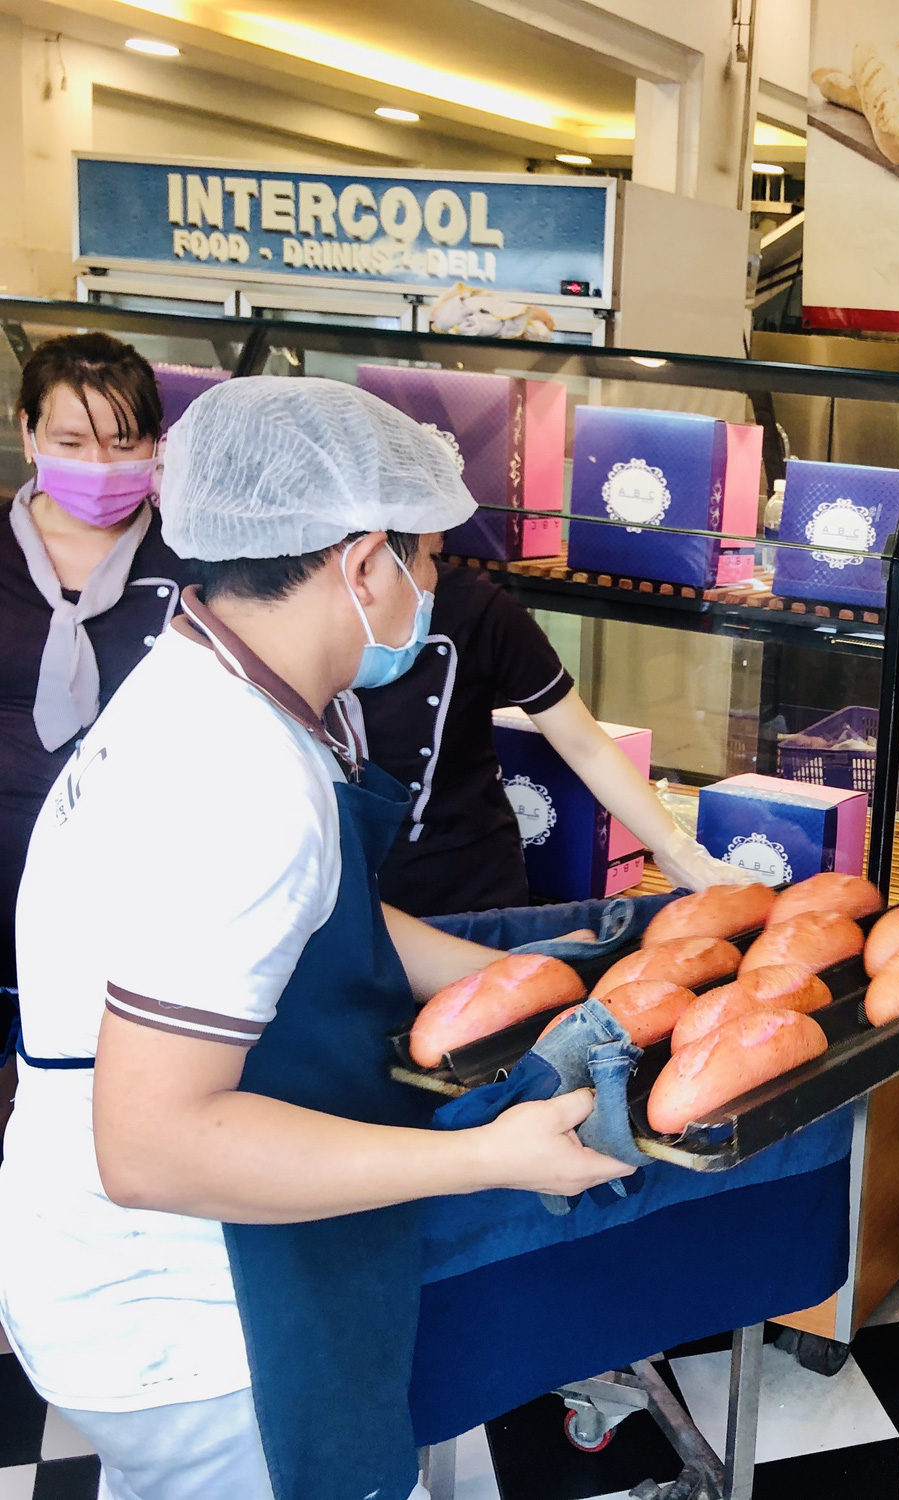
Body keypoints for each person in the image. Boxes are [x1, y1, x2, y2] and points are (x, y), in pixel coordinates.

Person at [0, 377, 630, 1500]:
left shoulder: (206, 674)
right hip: (194, 1315)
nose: (434, 591)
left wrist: (518, 979)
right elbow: (154, 1150)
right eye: (426, 561)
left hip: (99, 1263)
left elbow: (310, 916)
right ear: (360, 561)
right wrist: (489, 1158)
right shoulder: (237, 777)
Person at [337, 559, 737, 917]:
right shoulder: (305, 626)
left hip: (470, 890)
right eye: (423, 552)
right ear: (365, 559)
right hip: (344, 889)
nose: (435, 562)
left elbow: (587, 745)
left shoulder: (479, 609)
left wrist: (675, 850)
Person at [1, 334, 189, 1091]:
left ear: (157, 444)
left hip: (130, 883)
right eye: (72, 441)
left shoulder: (193, 560)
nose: (102, 465)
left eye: (124, 441)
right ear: (27, 435)